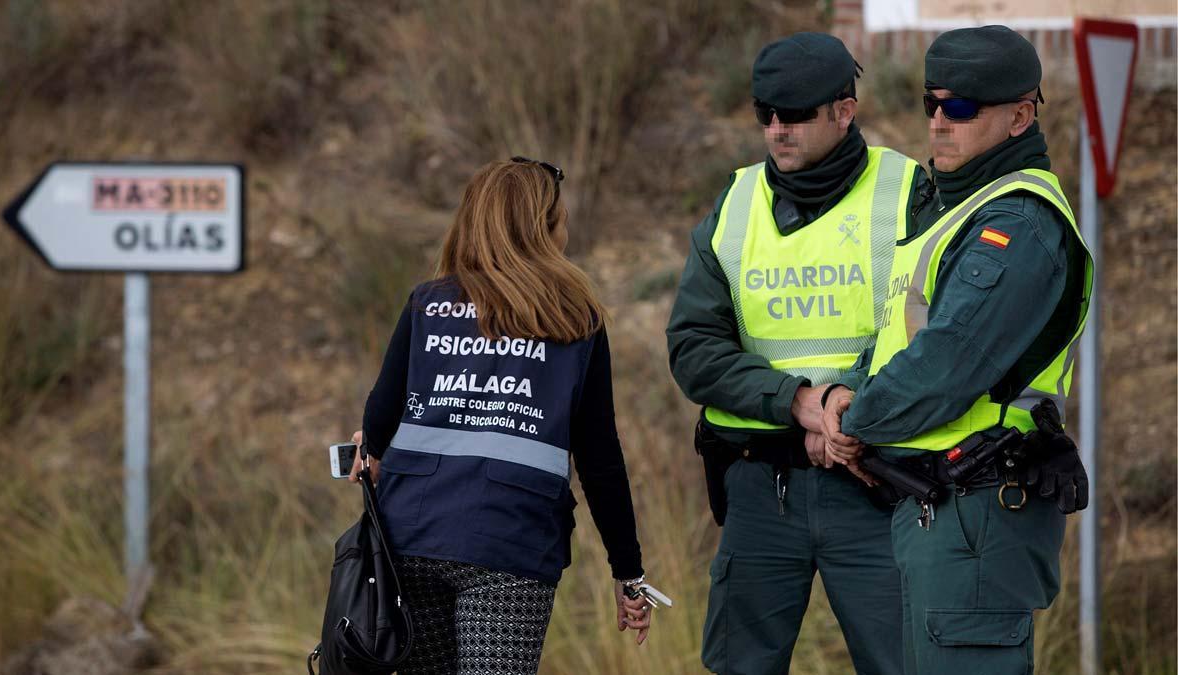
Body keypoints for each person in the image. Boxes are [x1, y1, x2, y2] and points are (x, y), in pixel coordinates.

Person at [821, 25, 1094, 675]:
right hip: (936, 512)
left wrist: (853, 423)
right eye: (931, 104)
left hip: (978, 514)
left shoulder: (1019, 220)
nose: (940, 122)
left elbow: (949, 363)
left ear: (1020, 117)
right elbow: (897, 336)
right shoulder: (954, 211)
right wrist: (843, 394)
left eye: (962, 107)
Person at [666, 32, 924, 675]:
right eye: (765, 115)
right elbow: (693, 347)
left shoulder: (911, 193)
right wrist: (800, 403)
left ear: (845, 109)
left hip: (875, 485)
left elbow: (933, 332)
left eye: (796, 115)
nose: (777, 131)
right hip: (761, 486)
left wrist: (850, 417)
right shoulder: (734, 204)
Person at [348, 157, 653, 675]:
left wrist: (372, 450)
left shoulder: (427, 303)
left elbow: (379, 416)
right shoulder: (576, 319)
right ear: (544, 227)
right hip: (509, 546)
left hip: (411, 536)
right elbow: (600, 460)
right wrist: (627, 571)